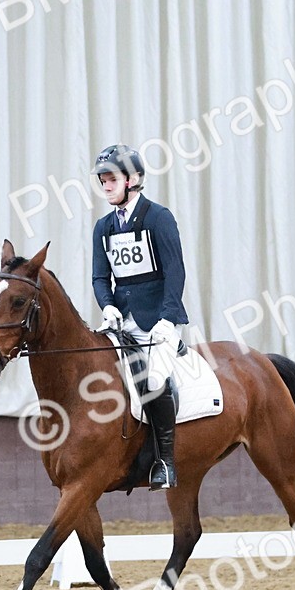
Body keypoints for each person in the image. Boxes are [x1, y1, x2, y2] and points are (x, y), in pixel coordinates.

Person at [91, 143, 188, 490]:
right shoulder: (103, 227)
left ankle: (166, 462)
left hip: (159, 320)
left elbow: (175, 272)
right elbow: (100, 277)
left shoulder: (158, 217)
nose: (105, 185)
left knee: (154, 379)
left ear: (133, 180)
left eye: (111, 178)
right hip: (122, 321)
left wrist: (168, 318)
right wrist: (107, 305)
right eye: (102, 179)